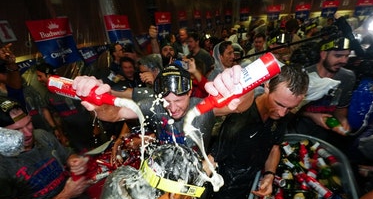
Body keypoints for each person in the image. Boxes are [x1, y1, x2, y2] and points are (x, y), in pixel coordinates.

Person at [206, 63, 309, 199]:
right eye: (279, 104)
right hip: (223, 188)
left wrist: (269, 175)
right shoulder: (240, 117)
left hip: (250, 187)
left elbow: (274, 147)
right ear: (267, 85)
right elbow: (211, 160)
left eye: (290, 108)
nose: (283, 113)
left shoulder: (282, 113)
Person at [71, 64, 252, 152]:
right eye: (166, 101)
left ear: (189, 92)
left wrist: (242, 87)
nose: (172, 108)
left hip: (197, 172)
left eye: (179, 100)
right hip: (162, 166)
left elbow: (238, 106)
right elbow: (114, 114)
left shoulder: (202, 107)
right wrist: (97, 102)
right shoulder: (153, 106)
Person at [290, 35, 355, 150]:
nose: (344, 61)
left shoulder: (347, 78)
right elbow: (286, 110)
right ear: (323, 54)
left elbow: (341, 109)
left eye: (347, 56)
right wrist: (312, 116)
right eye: (338, 55)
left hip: (323, 139)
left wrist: (342, 121)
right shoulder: (304, 75)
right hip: (296, 132)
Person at [36, 63, 96, 153]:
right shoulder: (48, 97)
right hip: (73, 134)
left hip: (89, 129)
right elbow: (56, 117)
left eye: (40, 76)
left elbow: (89, 104)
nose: (38, 79)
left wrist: (96, 125)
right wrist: (61, 134)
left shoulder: (69, 87)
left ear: (48, 75)